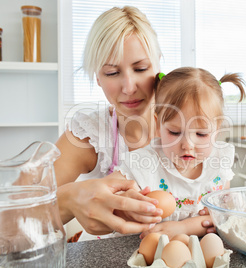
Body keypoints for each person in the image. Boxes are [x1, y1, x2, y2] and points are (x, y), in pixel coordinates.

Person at [95, 67, 246, 240]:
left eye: (201, 134)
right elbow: (101, 199)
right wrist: (124, 206)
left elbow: (221, 217)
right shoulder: (144, 164)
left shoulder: (219, 162)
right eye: (175, 132)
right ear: (158, 126)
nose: (187, 145)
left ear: (216, 131)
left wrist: (184, 227)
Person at [55, 6, 167, 237]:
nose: (128, 87)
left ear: (158, 66)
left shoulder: (185, 126)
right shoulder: (90, 135)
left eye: (140, 68)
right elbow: (12, 215)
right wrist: (69, 199)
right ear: (97, 76)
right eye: (112, 73)